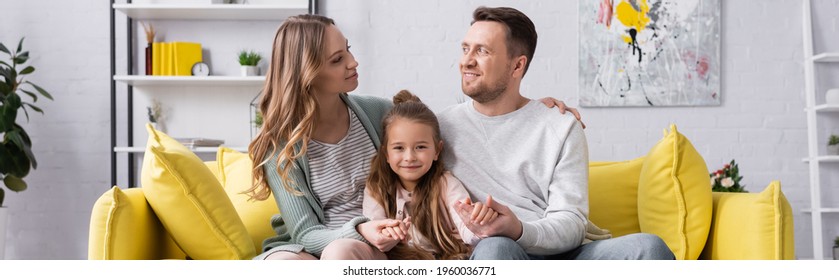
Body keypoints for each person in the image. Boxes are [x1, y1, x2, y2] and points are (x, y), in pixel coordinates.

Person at [247, 14, 580, 260]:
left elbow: (421, 128)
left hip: (377, 246)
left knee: (343, 254)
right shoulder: (281, 145)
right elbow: (305, 231)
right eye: (338, 59)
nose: (353, 62)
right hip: (319, 243)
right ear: (307, 72)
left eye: (347, 50)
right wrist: (362, 229)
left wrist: (532, 109)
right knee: (288, 264)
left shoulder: (376, 113)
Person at [439, 6, 675, 260]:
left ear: (517, 66)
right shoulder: (440, 129)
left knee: (649, 248)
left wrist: (519, 230)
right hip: (500, 253)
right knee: (496, 247)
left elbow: (571, 222)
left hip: (564, 253)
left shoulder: (560, 125)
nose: (467, 61)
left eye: (482, 51)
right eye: (465, 49)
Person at [362, 90, 496, 260]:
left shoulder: (446, 184)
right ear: (386, 154)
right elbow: (374, 228)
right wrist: (389, 233)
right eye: (399, 148)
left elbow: (466, 227)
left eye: (420, 147)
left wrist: (477, 225)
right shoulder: (377, 187)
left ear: (437, 151)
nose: (409, 157)